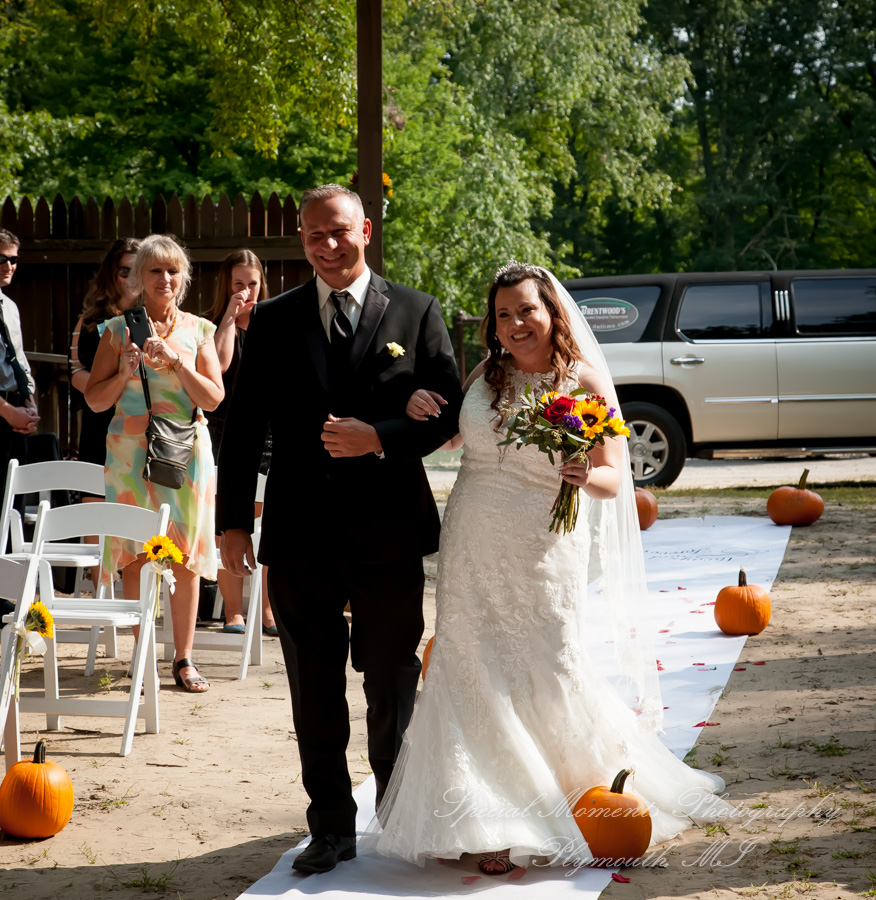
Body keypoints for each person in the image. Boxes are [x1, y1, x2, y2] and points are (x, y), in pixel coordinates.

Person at [370, 262, 734, 874]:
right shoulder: (489, 372)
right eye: (504, 314)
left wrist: (583, 474)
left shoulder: (585, 380)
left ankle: (565, 796)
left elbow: (617, 474)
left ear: (552, 312)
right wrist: (412, 400)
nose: (515, 324)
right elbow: (455, 436)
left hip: (542, 545)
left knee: (544, 662)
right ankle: (484, 818)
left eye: (526, 311)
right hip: (471, 538)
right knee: (468, 666)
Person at [217, 184, 462, 874]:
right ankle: (330, 827)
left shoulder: (417, 312)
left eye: (339, 233)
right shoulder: (271, 319)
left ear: (366, 230)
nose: (327, 247)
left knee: (390, 677)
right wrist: (234, 523)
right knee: (312, 683)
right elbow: (241, 433)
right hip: (298, 534)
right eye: (313, 236)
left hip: (387, 533)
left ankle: (399, 813)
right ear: (301, 240)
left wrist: (378, 437)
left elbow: (447, 414)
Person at [86, 233, 224, 693]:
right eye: (154, 270)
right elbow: (95, 400)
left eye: (172, 270)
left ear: (182, 277)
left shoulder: (200, 330)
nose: (164, 278)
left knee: (182, 557)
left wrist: (179, 362)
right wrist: (125, 372)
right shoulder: (117, 330)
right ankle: (142, 655)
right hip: (128, 453)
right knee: (137, 556)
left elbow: (215, 398)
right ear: (137, 277)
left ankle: (184, 659)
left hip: (184, 451)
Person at [208, 249, 277, 636]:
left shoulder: (274, 324)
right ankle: (233, 611)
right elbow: (219, 365)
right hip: (223, 433)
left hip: (268, 435)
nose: (247, 291)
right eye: (238, 284)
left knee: (265, 521)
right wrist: (231, 318)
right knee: (228, 523)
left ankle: (265, 609)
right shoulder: (211, 324)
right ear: (226, 286)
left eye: (252, 284)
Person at [70, 239, 140, 584]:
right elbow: (76, 372)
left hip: (138, 424)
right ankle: (98, 589)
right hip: (100, 420)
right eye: (123, 270)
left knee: (136, 506)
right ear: (111, 274)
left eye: (136, 269)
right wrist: (107, 389)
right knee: (96, 505)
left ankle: (137, 596)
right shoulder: (90, 319)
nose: (130, 277)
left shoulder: (153, 317)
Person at [0, 228, 39, 509]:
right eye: (0, 259)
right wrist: (7, 411)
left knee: (15, 503)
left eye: (13, 260)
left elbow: (18, 360)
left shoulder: (9, 307)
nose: (8, 266)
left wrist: (29, 404)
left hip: (15, 415)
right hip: (3, 410)